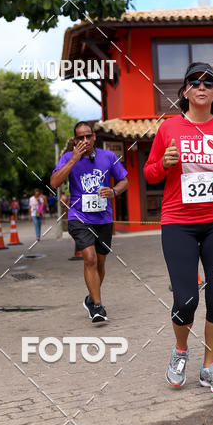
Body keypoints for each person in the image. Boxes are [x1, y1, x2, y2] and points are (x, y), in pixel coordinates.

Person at [143, 63, 213, 394]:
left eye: (209, 82)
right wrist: (164, 164)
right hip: (178, 224)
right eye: (195, 82)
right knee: (186, 299)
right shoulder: (169, 128)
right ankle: (180, 351)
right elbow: (149, 173)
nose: (201, 87)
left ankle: (209, 367)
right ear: (185, 91)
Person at [50, 121, 128, 324]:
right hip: (79, 217)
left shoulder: (108, 156)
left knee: (100, 262)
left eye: (88, 136)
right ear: (75, 140)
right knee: (90, 259)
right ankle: (98, 307)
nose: (85, 140)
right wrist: (73, 160)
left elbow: (124, 181)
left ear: (94, 137)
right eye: (80, 137)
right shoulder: (68, 157)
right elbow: (54, 182)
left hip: (103, 217)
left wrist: (113, 191)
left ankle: (91, 299)